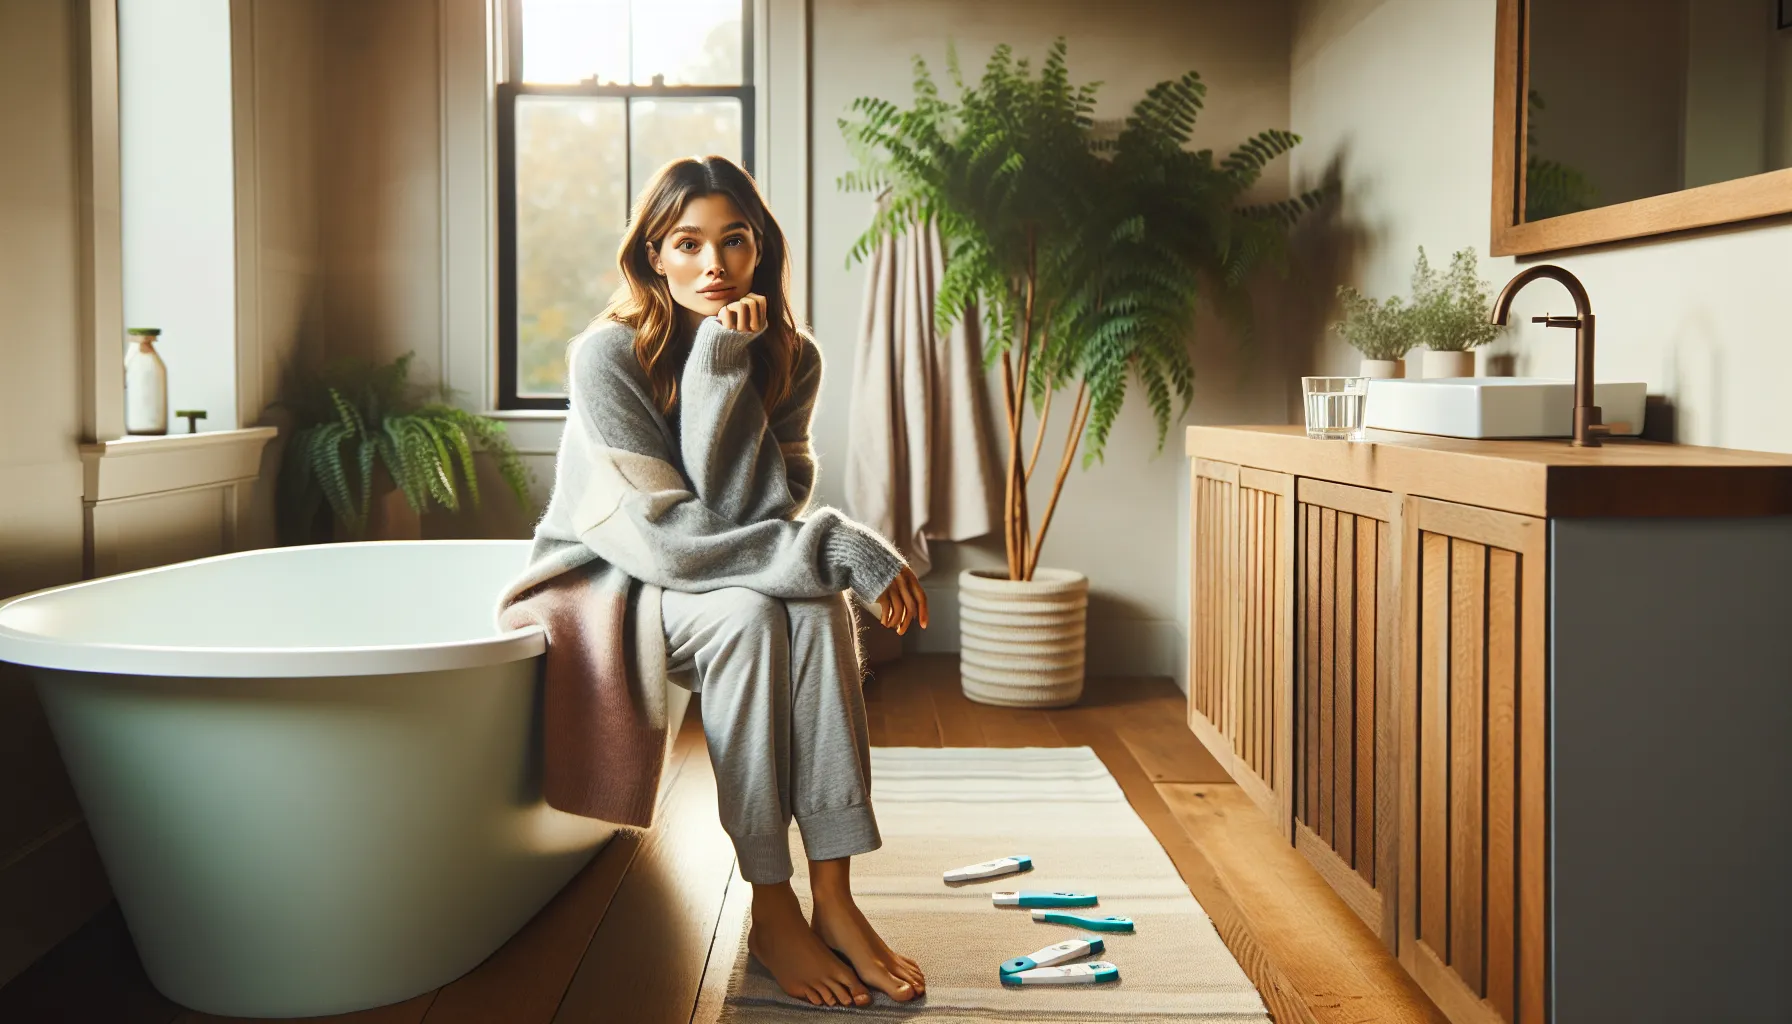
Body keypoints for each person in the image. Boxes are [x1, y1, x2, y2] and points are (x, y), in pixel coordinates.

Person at [544, 154, 928, 1008]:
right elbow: (670, 542)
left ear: (761, 254)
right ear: (652, 256)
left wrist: (736, 365)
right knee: (756, 615)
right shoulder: (608, 356)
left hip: (714, 566)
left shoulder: (791, 356)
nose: (712, 264)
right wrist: (716, 366)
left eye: (734, 242)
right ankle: (770, 900)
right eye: (686, 243)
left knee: (814, 599)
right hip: (608, 582)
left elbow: (757, 512)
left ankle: (834, 892)